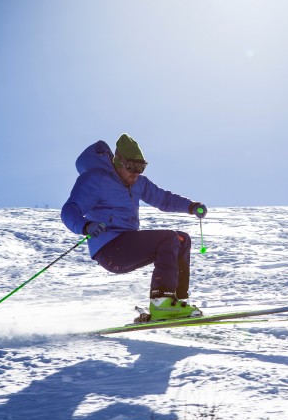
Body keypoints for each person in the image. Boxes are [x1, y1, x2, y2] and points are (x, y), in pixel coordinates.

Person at [61, 134, 207, 321]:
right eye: (131, 167)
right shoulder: (96, 180)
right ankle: (161, 303)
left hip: (128, 243)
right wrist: (85, 226)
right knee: (168, 238)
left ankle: (174, 302)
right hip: (110, 249)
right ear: (118, 162)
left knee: (181, 239)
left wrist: (191, 206)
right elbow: (69, 210)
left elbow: (163, 199)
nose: (136, 173)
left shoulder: (139, 183)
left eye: (141, 167)